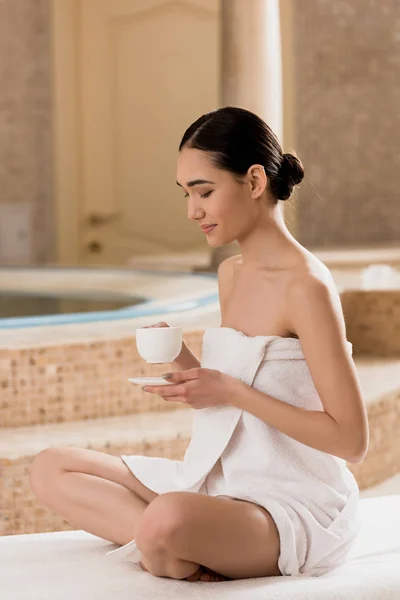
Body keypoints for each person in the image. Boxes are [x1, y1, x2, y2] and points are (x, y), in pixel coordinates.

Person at [29, 107, 369, 583]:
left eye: (204, 191)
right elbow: (232, 404)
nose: (193, 211)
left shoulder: (306, 286)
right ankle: (176, 548)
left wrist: (229, 392)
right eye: (186, 194)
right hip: (217, 482)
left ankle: (172, 543)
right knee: (52, 468)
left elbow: (351, 440)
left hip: (286, 504)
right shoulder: (231, 274)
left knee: (168, 518)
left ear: (254, 182)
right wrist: (183, 365)